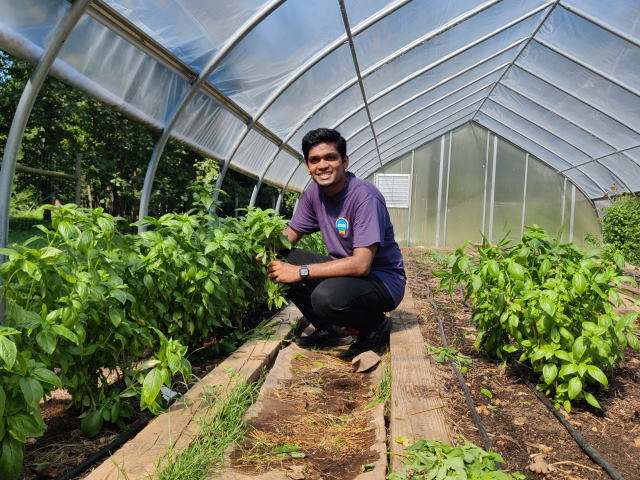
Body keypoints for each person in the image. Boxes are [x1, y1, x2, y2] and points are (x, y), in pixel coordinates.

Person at [265, 128, 406, 355]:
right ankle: (330, 329)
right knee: (280, 259)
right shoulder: (314, 193)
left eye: (330, 157)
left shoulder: (364, 197)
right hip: (347, 276)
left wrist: (299, 271)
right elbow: (291, 234)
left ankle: (373, 327)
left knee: (326, 298)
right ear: (308, 166)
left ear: (344, 161)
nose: (322, 165)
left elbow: (361, 265)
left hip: (383, 281)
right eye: (315, 160)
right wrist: (262, 249)